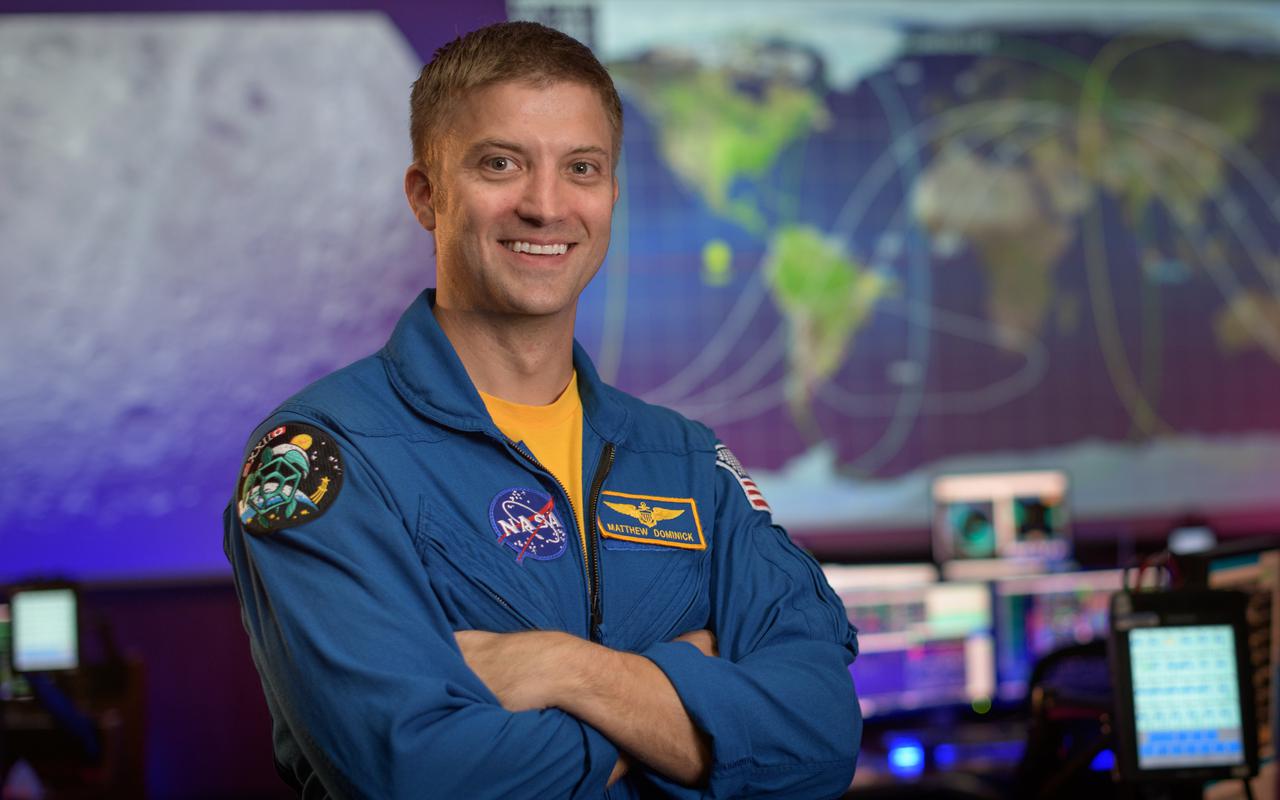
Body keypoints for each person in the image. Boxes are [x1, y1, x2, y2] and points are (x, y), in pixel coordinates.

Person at [224, 20, 861, 799]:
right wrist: (689, 698)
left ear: (612, 195)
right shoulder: (326, 456)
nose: (546, 205)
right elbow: (418, 777)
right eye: (501, 164)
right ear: (427, 195)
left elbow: (820, 738)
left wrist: (569, 671)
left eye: (581, 168)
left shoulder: (686, 461)